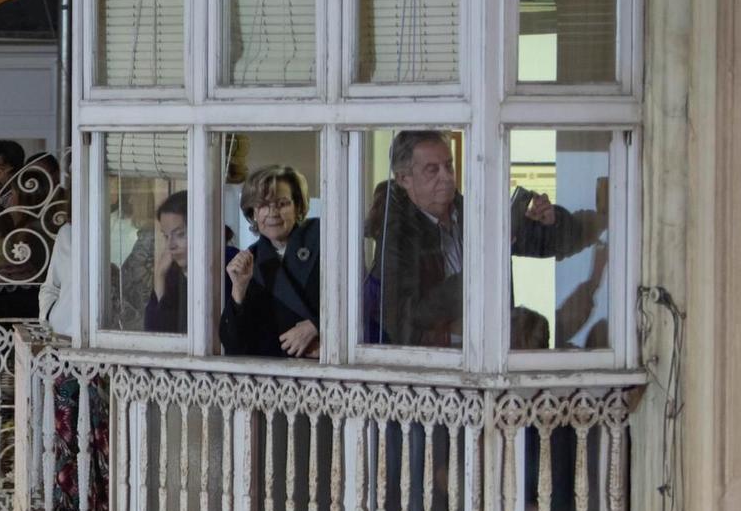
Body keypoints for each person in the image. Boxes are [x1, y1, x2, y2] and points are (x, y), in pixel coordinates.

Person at [366, 129, 599, 348]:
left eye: (449, 166)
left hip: (493, 352)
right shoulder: (397, 237)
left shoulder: (473, 213)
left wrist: (551, 221)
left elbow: (556, 243)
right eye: (432, 170)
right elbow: (406, 326)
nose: (447, 177)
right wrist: (481, 270)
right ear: (404, 178)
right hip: (443, 368)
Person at [221, 165, 321, 359]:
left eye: (282, 204)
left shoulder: (324, 238)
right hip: (273, 378)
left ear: (298, 207)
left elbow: (362, 305)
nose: (272, 212)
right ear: (253, 214)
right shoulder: (249, 260)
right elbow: (234, 346)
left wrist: (317, 326)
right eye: (263, 205)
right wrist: (239, 289)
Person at [143, 190, 194, 334]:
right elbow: (155, 335)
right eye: (166, 236)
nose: (171, 245)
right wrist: (159, 277)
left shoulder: (226, 268)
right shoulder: (171, 274)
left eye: (180, 234)